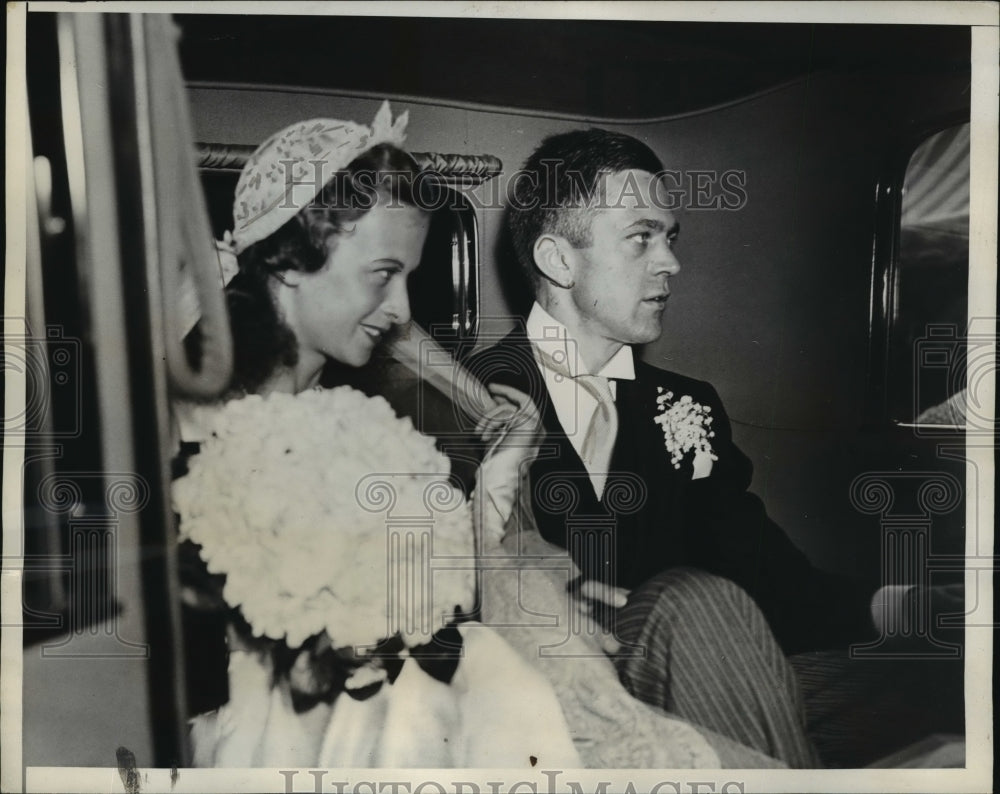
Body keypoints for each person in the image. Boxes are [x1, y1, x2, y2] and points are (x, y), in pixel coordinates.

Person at [467, 127, 943, 766]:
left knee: (935, 676)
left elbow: (760, 570)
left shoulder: (687, 405)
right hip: (555, 714)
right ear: (559, 260)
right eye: (641, 238)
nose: (671, 262)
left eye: (670, 237)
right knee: (696, 599)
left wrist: (903, 606)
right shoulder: (467, 403)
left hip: (692, 682)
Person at [172, 104, 584, 768]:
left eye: (409, 277)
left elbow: (435, 607)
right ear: (290, 264)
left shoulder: (356, 426)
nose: (401, 309)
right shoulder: (198, 438)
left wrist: (493, 445)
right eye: (384, 274)